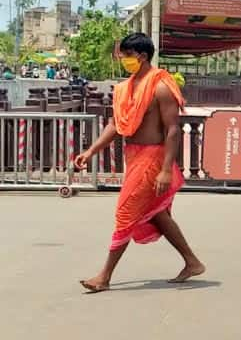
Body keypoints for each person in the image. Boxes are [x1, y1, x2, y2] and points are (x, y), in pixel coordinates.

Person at [73, 33, 204, 293]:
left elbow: (173, 130)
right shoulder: (124, 88)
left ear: (142, 56)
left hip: (153, 158)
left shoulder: (161, 87)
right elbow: (115, 124)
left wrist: (166, 169)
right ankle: (192, 262)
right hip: (133, 156)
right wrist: (91, 151)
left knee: (126, 212)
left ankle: (104, 276)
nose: (122, 59)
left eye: (126, 55)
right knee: (156, 214)